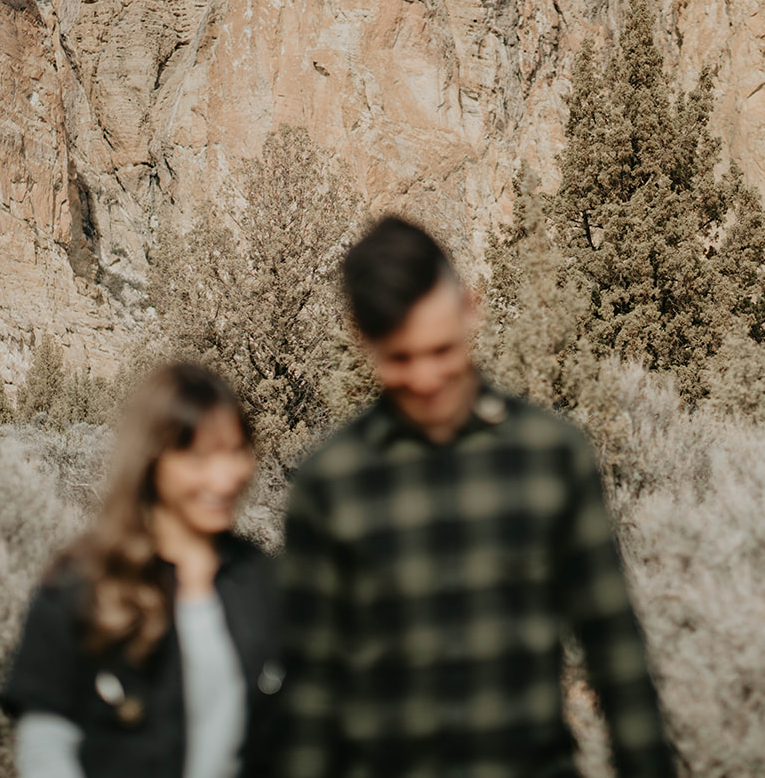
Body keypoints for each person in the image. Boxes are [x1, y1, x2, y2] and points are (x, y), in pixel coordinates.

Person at [277, 215, 675, 778]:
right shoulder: (330, 485)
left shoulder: (551, 455)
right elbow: (311, 693)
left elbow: (614, 648)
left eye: (442, 350)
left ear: (472, 307)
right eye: (400, 359)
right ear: (363, 340)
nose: (426, 379)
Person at [0, 363, 285, 778]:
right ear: (151, 460)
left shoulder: (263, 581)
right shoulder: (80, 584)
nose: (224, 478)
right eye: (198, 457)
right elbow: (45, 739)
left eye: (235, 451)